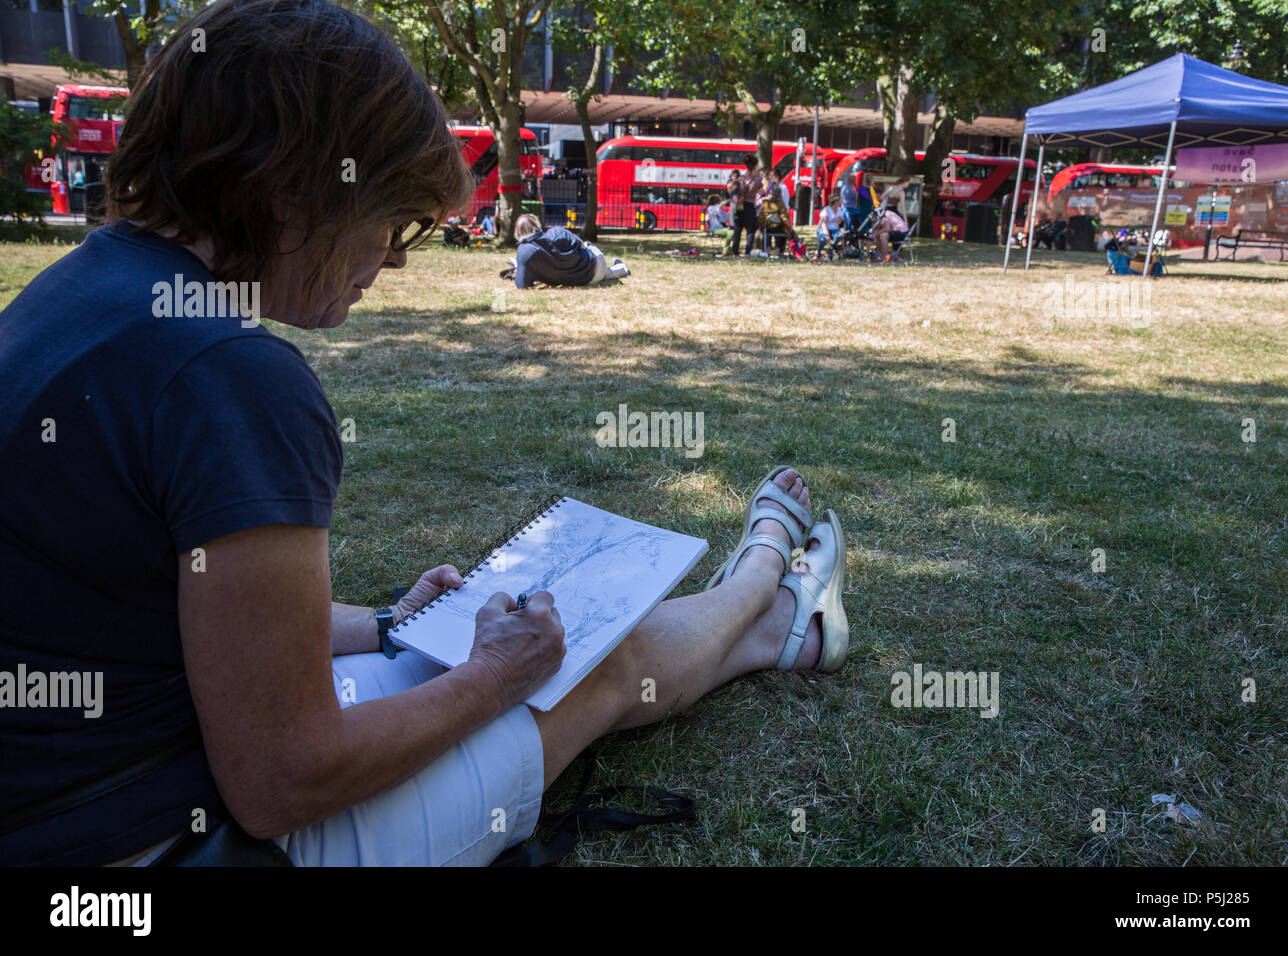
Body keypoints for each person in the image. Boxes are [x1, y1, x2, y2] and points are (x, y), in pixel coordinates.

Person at [0, 0, 851, 869]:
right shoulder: (230, 374)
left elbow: (161, 609)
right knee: (585, 665)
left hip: (79, 798)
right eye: (394, 218)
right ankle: (764, 584)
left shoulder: (70, 295)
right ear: (297, 185)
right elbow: (281, 779)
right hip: (159, 840)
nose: (399, 258)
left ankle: (768, 628)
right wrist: (493, 678)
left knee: (530, 654)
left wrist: (383, 623)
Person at [510, 213, 629, 287]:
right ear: (537, 225)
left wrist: (524, 269)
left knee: (603, 273)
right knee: (587, 245)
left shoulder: (523, 253)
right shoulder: (557, 232)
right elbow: (581, 245)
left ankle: (621, 268)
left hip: (578, 280)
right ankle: (621, 268)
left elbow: (522, 284)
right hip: (592, 272)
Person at [727, 154, 763, 257]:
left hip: (739, 205)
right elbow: (762, 191)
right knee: (750, 230)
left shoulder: (740, 178)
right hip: (750, 205)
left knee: (737, 229)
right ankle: (747, 252)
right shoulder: (758, 179)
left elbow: (730, 189)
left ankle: (735, 252)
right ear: (755, 165)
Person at [871, 190, 909, 262]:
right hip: (900, 231)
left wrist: (878, 233)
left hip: (902, 232)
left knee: (883, 235)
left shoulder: (885, 216)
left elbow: (887, 228)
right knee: (881, 235)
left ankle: (884, 257)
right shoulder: (886, 212)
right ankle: (879, 254)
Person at [816, 194, 846, 260]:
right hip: (824, 229)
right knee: (823, 239)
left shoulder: (839, 210)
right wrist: (827, 235)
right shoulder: (826, 210)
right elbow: (823, 224)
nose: (841, 202)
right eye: (840, 201)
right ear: (836, 202)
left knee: (839, 237)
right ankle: (818, 253)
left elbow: (842, 221)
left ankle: (829, 252)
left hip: (835, 230)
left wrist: (841, 221)